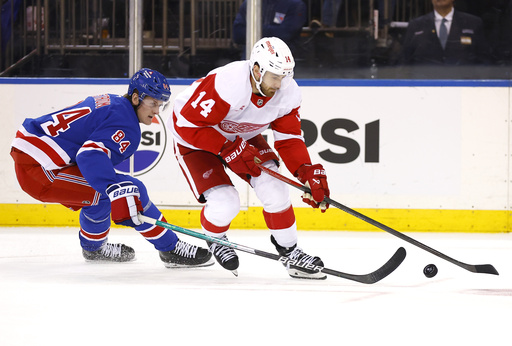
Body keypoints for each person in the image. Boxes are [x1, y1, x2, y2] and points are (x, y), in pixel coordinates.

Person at [10, 68, 213, 268]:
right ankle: (170, 248)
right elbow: (89, 154)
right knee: (131, 189)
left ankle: (94, 249)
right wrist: (114, 188)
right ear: (136, 98)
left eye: (160, 105)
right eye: (152, 103)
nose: (157, 111)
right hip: (40, 170)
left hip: (33, 155)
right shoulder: (127, 125)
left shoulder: (113, 101)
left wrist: (110, 188)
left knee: (102, 194)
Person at [168, 37, 331, 279]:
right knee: (225, 202)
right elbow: (185, 125)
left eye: (286, 75)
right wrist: (225, 147)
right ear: (257, 70)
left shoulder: (287, 91)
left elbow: (288, 138)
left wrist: (305, 171)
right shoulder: (228, 83)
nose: (281, 83)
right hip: (197, 139)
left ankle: (291, 253)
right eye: (275, 76)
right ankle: (215, 238)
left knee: (275, 189)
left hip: (242, 136)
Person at [400, 0, 491, 66]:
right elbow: (405, 61)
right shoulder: (416, 25)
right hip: (426, 86)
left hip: (463, 87)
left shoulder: (472, 23)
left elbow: (483, 60)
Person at [232, 0, 307, 58]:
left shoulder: (295, 5)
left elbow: (285, 34)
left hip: (282, 63)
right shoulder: (251, 3)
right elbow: (237, 34)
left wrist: (254, 30)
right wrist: (272, 31)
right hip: (251, 60)